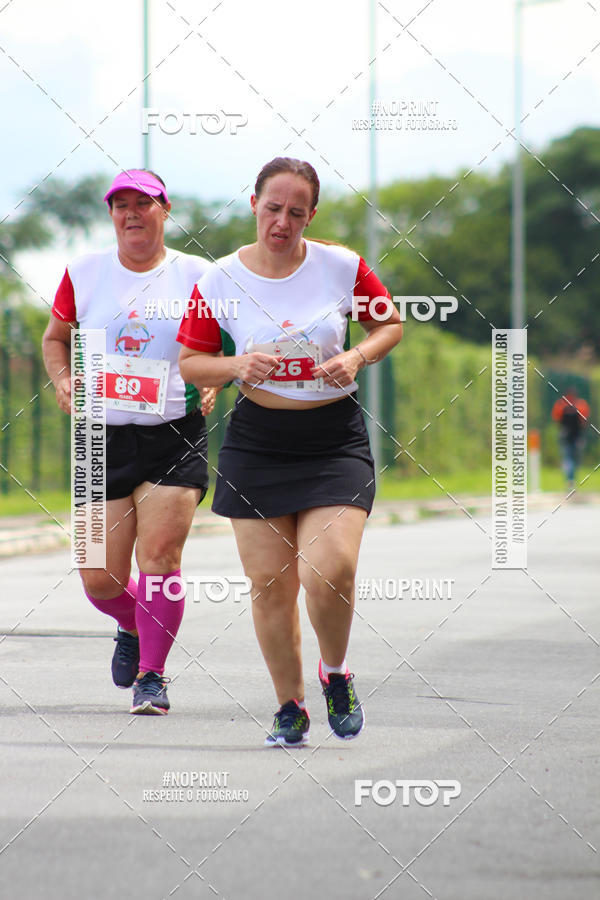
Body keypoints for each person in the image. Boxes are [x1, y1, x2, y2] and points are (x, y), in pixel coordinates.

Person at [177, 156, 403, 746]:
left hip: (333, 440)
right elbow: (191, 362)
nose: (282, 222)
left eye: (296, 212)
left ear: (311, 215)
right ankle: (289, 706)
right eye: (273, 208)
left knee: (331, 569)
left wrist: (357, 357)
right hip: (258, 442)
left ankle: (336, 673)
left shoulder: (341, 265)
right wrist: (235, 364)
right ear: (254, 204)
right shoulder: (219, 279)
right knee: (270, 585)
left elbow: (389, 325)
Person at [42, 169, 214, 715]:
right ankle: (134, 625)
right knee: (98, 578)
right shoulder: (84, 273)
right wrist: (64, 379)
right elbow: (54, 339)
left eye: (144, 203)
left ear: (166, 209)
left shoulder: (198, 276)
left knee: (159, 556)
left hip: (173, 434)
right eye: (121, 205)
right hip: (100, 436)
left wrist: (210, 379)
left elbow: (227, 343)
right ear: (111, 214)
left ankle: (152, 677)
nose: (132, 213)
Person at [551, 387, 590, 489]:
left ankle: (570, 479)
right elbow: (584, 421)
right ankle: (571, 479)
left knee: (569, 458)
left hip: (566, 435)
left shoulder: (560, 405)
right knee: (573, 458)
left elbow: (556, 419)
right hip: (576, 436)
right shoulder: (581, 405)